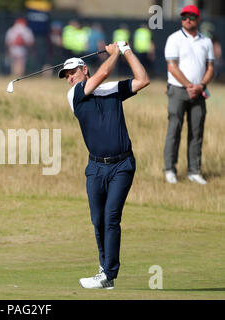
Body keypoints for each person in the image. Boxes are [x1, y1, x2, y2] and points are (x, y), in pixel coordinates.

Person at [58, 41, 149, 289]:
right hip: (95, 168)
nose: (69, 79)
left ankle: (109, 274)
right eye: (66, 76)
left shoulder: (111, 90)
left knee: (111, 218)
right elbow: (104, 72)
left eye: (72, 73)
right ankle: (104, 269)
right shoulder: (74, 95)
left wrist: (126, 49)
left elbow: (143, 79)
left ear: (84, 69)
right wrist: (115, 53)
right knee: (98, 219)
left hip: (122, 165)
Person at [163, 5, 214, 185]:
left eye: (191, 17)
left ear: (198, 19)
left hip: (198, 92)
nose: (187, 20)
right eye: (184, 17)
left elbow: (210, 67)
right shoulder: (174, 39)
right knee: (174, 129)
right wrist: (189, 86)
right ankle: (170, 169)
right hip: (178, 89)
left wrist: (200, 86)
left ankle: (194, 170)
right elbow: (172, 66)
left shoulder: (206, 41)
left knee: (196, 131)